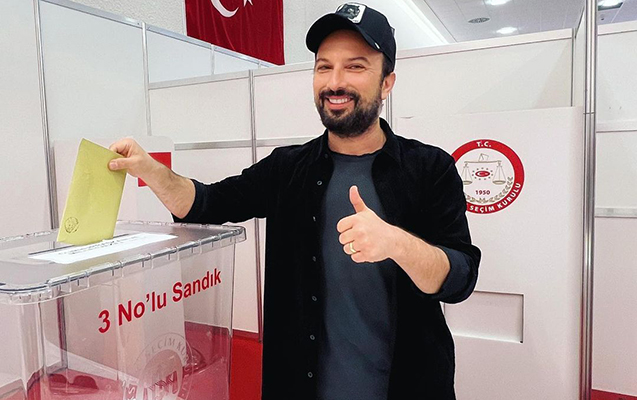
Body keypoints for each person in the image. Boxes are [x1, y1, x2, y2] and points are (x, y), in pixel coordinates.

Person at [109, 3, 480, 399]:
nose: (335, 82)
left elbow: (460, 278)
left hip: (409, 387)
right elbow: (206, 204)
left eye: (355, 67)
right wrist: (152, 170)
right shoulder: (287, 169)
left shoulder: (429, 168)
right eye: (324, 67)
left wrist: (396, 243)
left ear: (387, 82)